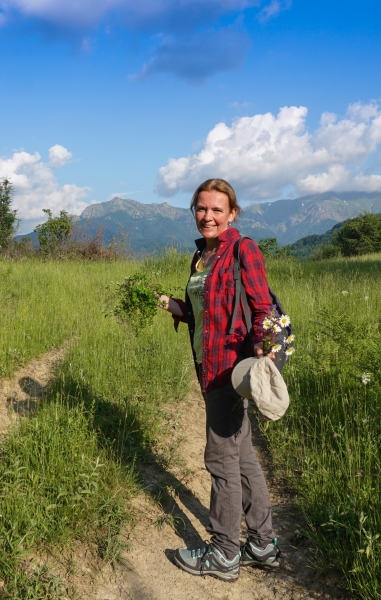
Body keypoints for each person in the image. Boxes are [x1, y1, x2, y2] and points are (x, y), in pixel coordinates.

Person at [156, 178, 281, 582]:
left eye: (216, 209)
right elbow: (206, 314)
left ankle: (225, 553)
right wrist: (174, 305)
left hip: (231, 368)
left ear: (232, 213)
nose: (207, 216)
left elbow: (264, 308)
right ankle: (262, 543)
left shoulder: (243, 249)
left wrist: (262, 345)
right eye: (201, 208)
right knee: (242, 456)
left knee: (220, 459)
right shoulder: (201, 256)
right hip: (208, 364)